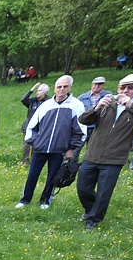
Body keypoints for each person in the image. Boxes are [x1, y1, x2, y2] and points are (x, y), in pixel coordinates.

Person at [77, 73, 133, 230]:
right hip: (93, 154)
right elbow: (83, 119)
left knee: (104, 192)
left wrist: (130, 106)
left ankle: (94, 220)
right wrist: (97, 108)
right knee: (83, 188)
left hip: (114, 158)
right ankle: (91, 209)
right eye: (122, 87)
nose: (125, 91)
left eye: (130, 87)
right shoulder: (108, 102)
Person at [16, 75, 85, 209]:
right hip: (40, 148)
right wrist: (35, 142)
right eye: (59, 87)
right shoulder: (46, 105)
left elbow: (80, 130)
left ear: (70, 88)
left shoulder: (76, 105)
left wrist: (71, 148)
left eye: (65, 87)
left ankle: (46, 200)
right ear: (54, 89)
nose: (61, 89)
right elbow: (32, 126)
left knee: (53, 176)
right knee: (32, 175)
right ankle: (25, 199)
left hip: (59, 149)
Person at [74, 77, 113, 161]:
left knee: (94, 150)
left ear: (103, 85)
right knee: (75, 150)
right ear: (92, 85)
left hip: (99, 127)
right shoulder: (82, 97)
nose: (97, 86)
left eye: (100, 84)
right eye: (95, 84)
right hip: (83, 127)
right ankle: (70, 169)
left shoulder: (108, 96)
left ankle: (89, 167)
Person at [20, 83, 49, 165]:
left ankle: (34, 161)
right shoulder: (32, 101)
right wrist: (32, 89)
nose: (37, 92)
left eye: (39, 91)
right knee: (26, 146)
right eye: (37, 91)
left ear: (45, 92)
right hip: (28, 126)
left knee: (36, 145)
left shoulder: (48, 102)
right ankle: (25, 162)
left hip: (41, 127)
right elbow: (23, 99)